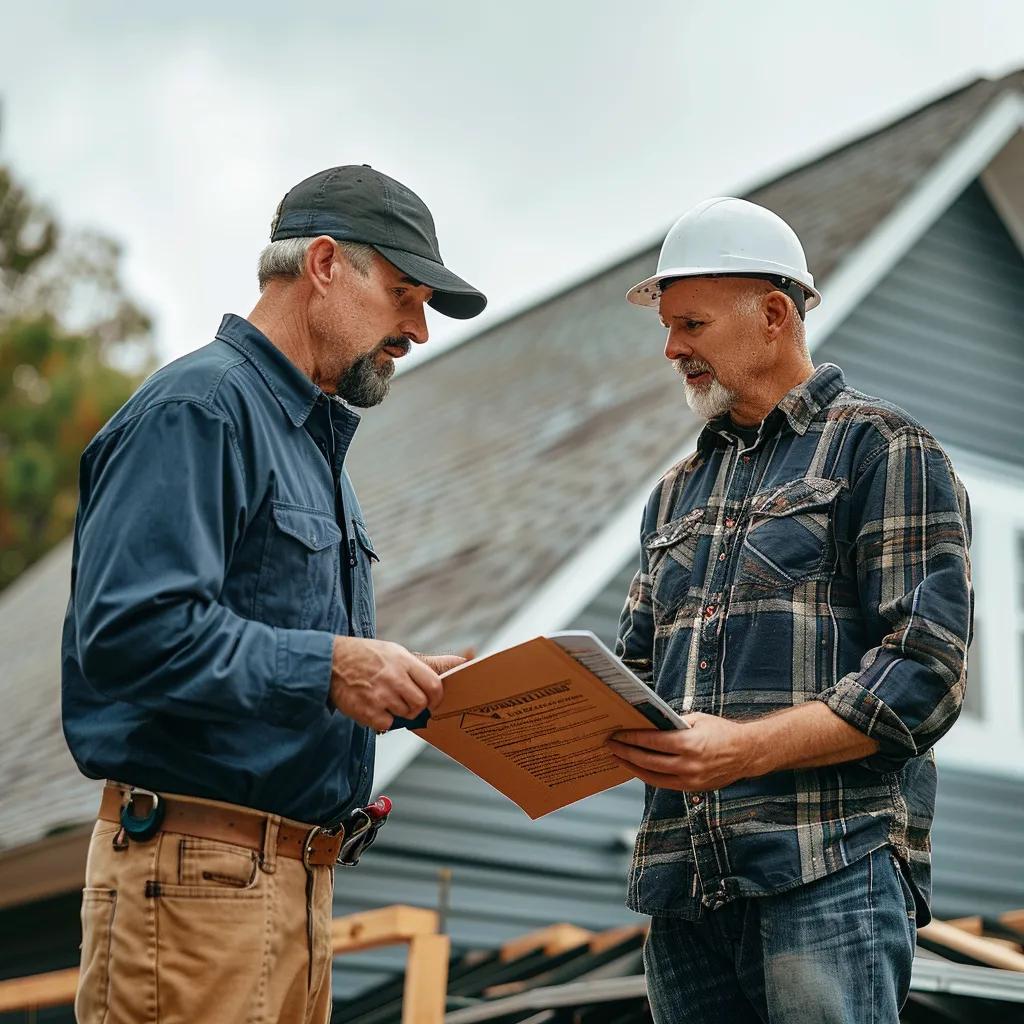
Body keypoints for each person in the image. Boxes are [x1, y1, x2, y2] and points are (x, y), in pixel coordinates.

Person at [62, 165, 487, 1024]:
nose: (417, 329)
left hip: (290, 889)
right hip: (194, 889)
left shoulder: (309, 443)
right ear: (325, 264)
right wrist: (333, 666)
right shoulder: (200, 407)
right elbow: (128, 633)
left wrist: (388, 675)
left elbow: (271, 650)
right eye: (405, 293)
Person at [607, 197, 972, 1023]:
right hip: (684, 887)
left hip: (829, 868)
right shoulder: (673, 494)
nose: (672, 349)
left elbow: (924, 673)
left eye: (691, 324)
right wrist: (505, 701)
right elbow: (631, 681)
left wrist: (743, 752)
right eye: (668, 328)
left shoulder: (881, 449)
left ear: (774, 314)